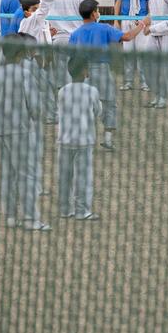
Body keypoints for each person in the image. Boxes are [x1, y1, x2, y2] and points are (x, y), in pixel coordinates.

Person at [0, 39, 51, 231]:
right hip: (20, 130)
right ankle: (31, 218)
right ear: (20, 54)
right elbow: (35, 106)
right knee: (27, 174)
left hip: (0, 129)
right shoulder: (25, 74)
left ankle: (11, 217)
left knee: (8, 174)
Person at [69, 0, 146, 150]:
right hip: (102, 69)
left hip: (83, 72)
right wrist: (142, 25)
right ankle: (108, 139)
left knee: (85, 106)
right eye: (97, 10)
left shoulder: (75, 33)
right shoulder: (103, 28)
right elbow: (127, 37)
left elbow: (73, 55)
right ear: (93, 14)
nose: (99, 13)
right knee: (109, 104)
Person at [58, 57, 103, 221]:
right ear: (85, 72)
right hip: (84, 139)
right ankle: (82, 210)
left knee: (65, 175)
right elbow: (98, 111)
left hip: (64, 139)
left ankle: (64, 209)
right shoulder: (92, 91)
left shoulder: (62, 91)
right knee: (83, 175)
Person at [114, 0, 153, 91]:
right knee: (128, 52)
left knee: (142, 53)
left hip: (141, 21)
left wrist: (148, 21)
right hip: (126, 21)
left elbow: (150, 4)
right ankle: (128, 82)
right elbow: (117, 3)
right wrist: (116, 21)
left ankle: (144, 82)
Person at [49, 0, 88, 88]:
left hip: (58, 38)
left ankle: (63, 95)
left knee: (61, 72)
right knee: (78, 71)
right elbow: (90, 14)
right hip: (77, 39)